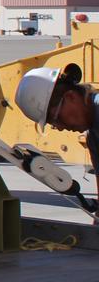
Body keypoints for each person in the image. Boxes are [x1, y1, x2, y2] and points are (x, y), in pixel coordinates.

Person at [15, 63, 99, 200]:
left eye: (56, 118)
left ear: (71, 97)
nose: (59, 127)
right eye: (53, 124)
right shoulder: (93, 137)